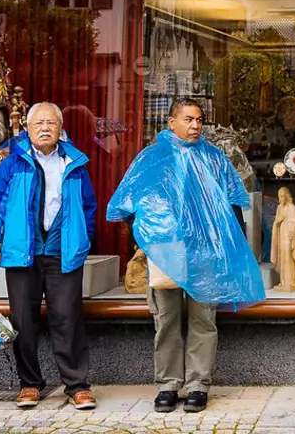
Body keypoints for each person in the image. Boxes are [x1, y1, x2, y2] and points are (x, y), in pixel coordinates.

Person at [111, 96, 262, 414]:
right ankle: (167, 385)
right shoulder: (151, 158)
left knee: (203, 320)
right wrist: (148, 238)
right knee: (166, 320)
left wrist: (231, 248)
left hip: (206, 253)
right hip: (166, 253)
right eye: (189, 119)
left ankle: (198, 385)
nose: (195, 125)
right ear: (171, 122)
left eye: (199, 120)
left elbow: (232, 205)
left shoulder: (214, 158)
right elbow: (129, 202)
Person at [0, 101, 100, 411]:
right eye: (39, 123)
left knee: (68, 318)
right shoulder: (12, 164)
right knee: (22, 320)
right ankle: (29, 383)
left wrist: (82, 241)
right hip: (22, 254)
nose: (45, 127)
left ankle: (76, 385)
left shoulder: (74, 163)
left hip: (63, 253)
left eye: (51, 123)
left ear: (60, 129)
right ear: (27, 130)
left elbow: (88, 206)